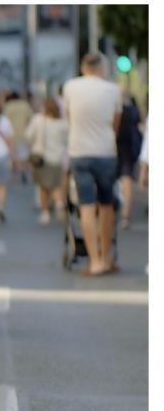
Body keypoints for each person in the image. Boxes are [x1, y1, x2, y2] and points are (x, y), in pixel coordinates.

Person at [63, 53, 122, 276]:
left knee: (86, 205)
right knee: (106, 205)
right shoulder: (113, 90)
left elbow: (69, 117)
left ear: (83, 67)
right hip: (106, 152)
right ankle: (106, 258)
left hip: (79, 151)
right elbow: (115, 123)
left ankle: (94, 260)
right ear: (101, 68)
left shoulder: (70, 87)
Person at [25, 97, 68, 225]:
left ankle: (45, 212)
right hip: (58, 158)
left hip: (42, 158)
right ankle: (59, 203)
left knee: (43, 186)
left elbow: (28, 136)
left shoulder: (38, 120)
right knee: (57, 184)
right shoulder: (63, 123)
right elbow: (67, 141)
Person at [116, 91, 143, 230]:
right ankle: (125, 216)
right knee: (127, 181)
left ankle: (105, 213)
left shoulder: (113, 111)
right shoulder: (132, 111)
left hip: (112, 150)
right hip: (128, 151)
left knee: (105, 183)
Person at [2, 91, 33, 184]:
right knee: (23, 155)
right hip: (24, 134)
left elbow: (4, 120)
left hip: (11, 135)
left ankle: (15, 174)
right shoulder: (25, 105)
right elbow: (30, 118)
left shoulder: (8, 106)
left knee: (13, 155)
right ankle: (23, 171)